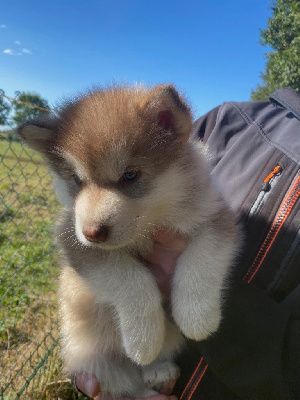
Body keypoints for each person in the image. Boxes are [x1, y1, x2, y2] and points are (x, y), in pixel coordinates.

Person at [72, 87, 300, 400]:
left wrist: (196, 292)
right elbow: (80, 256)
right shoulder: (231, 120)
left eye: (129, 176)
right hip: (132, 359)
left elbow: (217, 225)